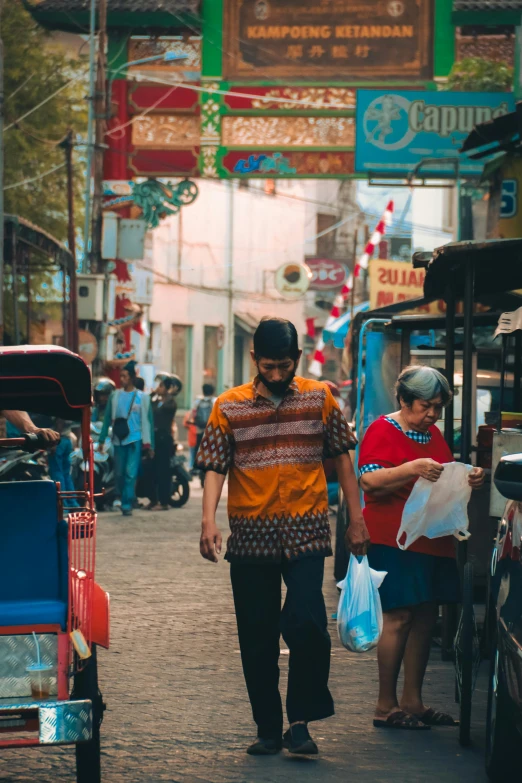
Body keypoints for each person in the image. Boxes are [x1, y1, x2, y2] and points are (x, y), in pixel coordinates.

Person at [196, 317, 368, 757]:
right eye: (269, 366)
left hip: (307, 531)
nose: (276, 375)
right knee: (257, 635)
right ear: (255, 359)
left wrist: (356, 519)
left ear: (299, 359)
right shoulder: (228, 406)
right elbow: (215, 466)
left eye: (284, 366)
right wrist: (208, 521)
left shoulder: (319, 398)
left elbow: (344, 460)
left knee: (308, 623)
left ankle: (301, 722)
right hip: (251, 536)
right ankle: (269, 728)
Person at [358, 365, 485, 730]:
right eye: (425, 406)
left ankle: (413, 701)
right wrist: (411, 467)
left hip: (432, 538)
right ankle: (386, 704)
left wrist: (469, 476)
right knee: (399, 617)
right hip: (394, 538)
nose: (431, 414)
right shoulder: (383, 429)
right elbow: (369, 480)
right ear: (404, 399)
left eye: (438, 408)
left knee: (425, 617)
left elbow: (444, 475)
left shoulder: (433, 435)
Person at [99, 361, 154, 517]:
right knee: (119, 473)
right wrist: (102, 439)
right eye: (120, 376)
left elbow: (148, 422)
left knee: (131, 473)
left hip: (135, 440)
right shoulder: (114, 396)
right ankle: (121, 497)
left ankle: (126, 503)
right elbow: (107, 418)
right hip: (118, 440)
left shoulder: (142, 398)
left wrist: (150, 445)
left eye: (124, 376)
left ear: (131, 378)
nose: (121, 379)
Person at [147, 376, 177, 511]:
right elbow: (147, 404)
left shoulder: (170, 403)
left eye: (161, 386)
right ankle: (153, 499)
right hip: (154, 437)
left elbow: (168, 409)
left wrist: (169, 394)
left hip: (165, 439)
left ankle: (164, 502)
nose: (158, 388)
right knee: (152, 470)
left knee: (163, 471)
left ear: (167, 389)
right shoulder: (156, 401)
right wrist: (153, 393)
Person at [48, 419, 79, 508]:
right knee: (66, 475)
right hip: (67, 440)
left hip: (59, 441)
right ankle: (72, 503)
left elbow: (59, 422)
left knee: (57, 473)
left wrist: (54, 443)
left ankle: (63, 505)